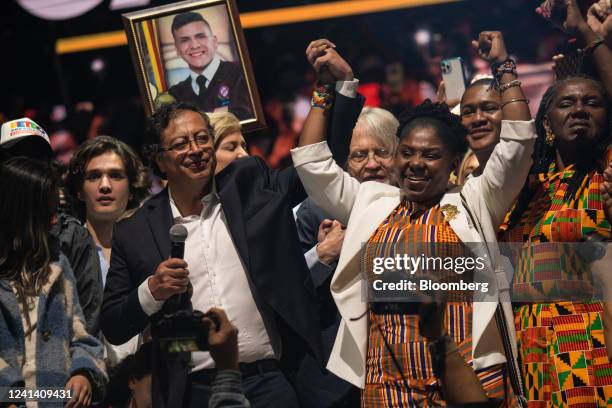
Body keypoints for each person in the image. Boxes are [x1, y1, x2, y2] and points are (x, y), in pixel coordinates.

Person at [291, 31, 535, 406]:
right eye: (406, 152)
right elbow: (312, 160)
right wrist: (326, 87)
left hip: (467, 373)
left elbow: (518, 142)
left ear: (454, 163)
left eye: (431, 155)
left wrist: (503, 67)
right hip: (388, 380)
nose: (416, 164)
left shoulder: (473, 199)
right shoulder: (373, 201)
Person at [100, 98, 332, 408]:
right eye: (181, 143)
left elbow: (311, 170)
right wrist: (151, 292)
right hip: (191, 392)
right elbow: (113, 324)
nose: (196, 150)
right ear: (158, 159)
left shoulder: (248, 188)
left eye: (203, 138)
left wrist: (329, 93)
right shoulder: (135, 231)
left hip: (268, 383)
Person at [0, 157, 107, 408]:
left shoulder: (57, 263)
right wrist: (9, 397)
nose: (54, 221)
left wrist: (84, 373)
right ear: (19, 212)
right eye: (46, 213)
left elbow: (83, 336)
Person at [0, 118, 103, 336]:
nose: (28, 168)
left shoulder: (72, 235)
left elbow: (88, 323)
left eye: (37, 158)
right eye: (17, 158)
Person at [65, 136, 150, 365]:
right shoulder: (64, 253)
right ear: (79, 191)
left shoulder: (151, 246)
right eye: (94, 176)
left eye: (115, 175)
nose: (104, 185)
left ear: (132, 188)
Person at [166, 12, 252, 120]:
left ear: (214, 41)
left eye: (201, 36)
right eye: (184, 40)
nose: (194, 45)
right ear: (177, 49)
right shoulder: (176, 94)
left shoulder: (241, 72)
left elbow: (248, 116)